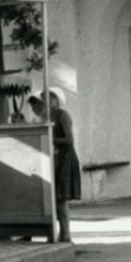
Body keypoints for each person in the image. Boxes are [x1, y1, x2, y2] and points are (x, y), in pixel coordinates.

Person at [49, 89, 82, 243]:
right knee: (55, 200)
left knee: (60, 199)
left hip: (65, 158)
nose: (48, 101)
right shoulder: (47, 116)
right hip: (54, 158)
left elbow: (69, 139)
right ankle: (60, 234)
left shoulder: (63, 115)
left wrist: (50, 138)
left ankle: (66, 234)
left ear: (58, 100)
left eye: (51, 98)